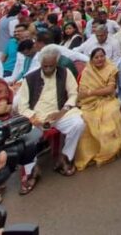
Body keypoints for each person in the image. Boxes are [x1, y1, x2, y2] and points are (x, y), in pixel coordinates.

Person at [17, 45, 86, 191]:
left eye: (51, 66)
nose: (48, 69)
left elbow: (73, 94)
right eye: (45, 66)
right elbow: (22, 106)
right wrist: (33, 117)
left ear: (57, 63)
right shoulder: (30, 78)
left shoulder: (65, 72)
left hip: (59, 114)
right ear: (40, 64)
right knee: (25, 136)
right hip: (37, 117)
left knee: (79, 123)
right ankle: (31, 171)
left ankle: (65, 157)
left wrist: (62, 111)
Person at [74, 47, 121, 170]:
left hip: (108, 100)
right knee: (85, 118)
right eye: (96, 57)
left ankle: (109, 151)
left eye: (102, 56)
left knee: (111, 113)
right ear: (92, 60)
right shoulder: (87, 71)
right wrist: (92, 94)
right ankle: (92, 152)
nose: (100, 59)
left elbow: (110, 89)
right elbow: (81, 92)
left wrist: (91, 92)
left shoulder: (111, 69)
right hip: (90, 103)